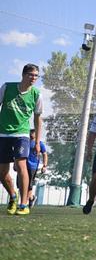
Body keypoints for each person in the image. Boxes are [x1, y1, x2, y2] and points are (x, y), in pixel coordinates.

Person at [0, 64, 43, 216]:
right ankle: (13, 196)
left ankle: (23, 204)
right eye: (31, 74)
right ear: (23, 74)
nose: (34, 78)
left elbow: (38, 119)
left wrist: (37, 142)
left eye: (36, 75)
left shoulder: (36, 94)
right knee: (2, 172)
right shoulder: (7, 87)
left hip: (22, 135)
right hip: (3, 134)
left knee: (20, 165)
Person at [23, 128, 48, 207]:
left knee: (29, 184)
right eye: (30, 132)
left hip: (33, 166)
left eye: (33, 132)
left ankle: (24, 202)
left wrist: (44, 165)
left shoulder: (40, 143)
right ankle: (31, 198)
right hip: (23, 166)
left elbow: (45, 154)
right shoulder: (25, 142)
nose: (31, 134)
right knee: (21, 183)